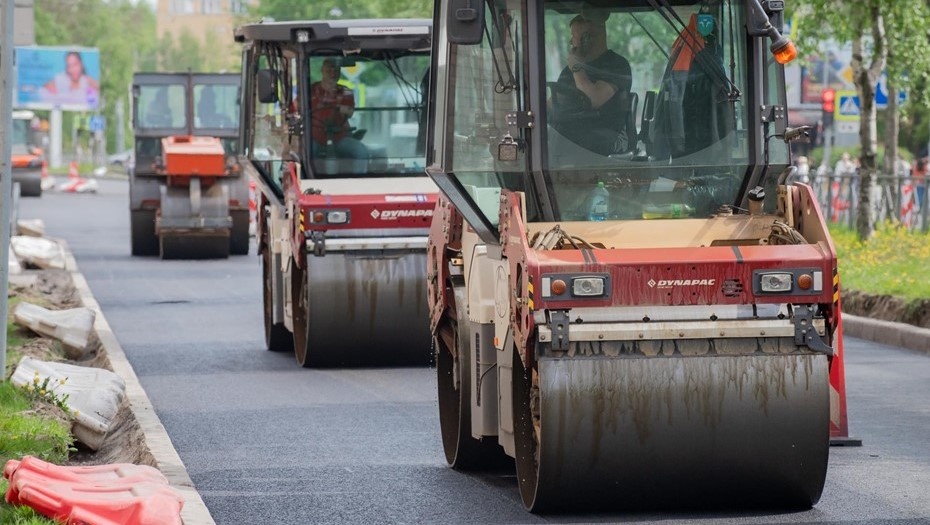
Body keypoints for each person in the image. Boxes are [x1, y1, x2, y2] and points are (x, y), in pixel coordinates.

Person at [550, 12, 633, 156]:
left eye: (573, 37)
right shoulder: (569, 70)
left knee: (568, 141)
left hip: (605, 134)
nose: (571, 42)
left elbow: (594, 98)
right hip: (571, 131)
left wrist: (577, 67)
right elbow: (555, 101)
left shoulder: (616, 64)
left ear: (587, 39)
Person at [309, 58, 369, 173]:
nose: (333, 74)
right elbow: (297, 109)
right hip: (314, 138)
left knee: (360, 151)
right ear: (322, 70)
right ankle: (306, 183)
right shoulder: (310, 90)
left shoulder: (346, 91)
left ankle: (359, 185)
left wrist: (341, 108)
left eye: (336, 71)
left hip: (339, 138)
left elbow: (349, 112)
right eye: (329, 70)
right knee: (301, 155)